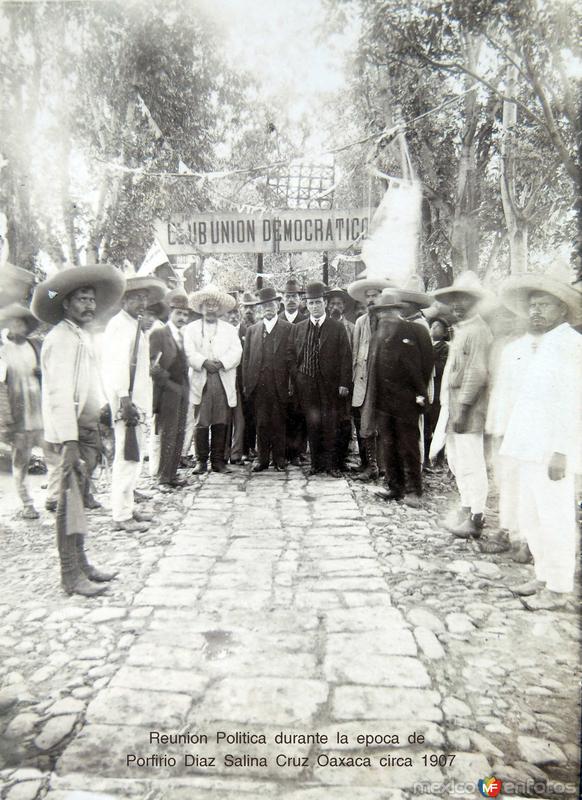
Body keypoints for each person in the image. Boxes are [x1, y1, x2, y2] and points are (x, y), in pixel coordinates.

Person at [31, 263, 125, 596]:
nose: (89, 306)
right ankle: (69, 574)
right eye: (82, 299)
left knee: (79, 501)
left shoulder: (79, 335)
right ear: (66, 304)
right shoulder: (60, 338)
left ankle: (82, 561)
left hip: (85, 431)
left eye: (92, 300)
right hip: (68, 435)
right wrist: (69, 441)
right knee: (69, 502)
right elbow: (57, 393)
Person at [496, 265, 581, 607]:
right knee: (531, 514)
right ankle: (543, 575)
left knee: (555, 515)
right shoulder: (539, 345)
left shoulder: (572, 344)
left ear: (562, 308)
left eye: (544, 304)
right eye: (532, 304)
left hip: (552, 449)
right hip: (528, 445)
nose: (536, 310)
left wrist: (562, 451)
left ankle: (559, 587)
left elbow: (574, 402)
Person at [101, 275, 166, 532]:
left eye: (145, 298)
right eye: (137, 298)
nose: (142, 303)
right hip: (126, 402)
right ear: (124, 299)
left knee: (134, 457)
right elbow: (115, 365)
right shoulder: (118, 326)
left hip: (137, 399)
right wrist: (124, 398)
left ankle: (127, 507)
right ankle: (120, 515)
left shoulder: (133, 325)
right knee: (126, 458)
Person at [432, 272, 493, 538]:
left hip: (468, 408)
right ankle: (466, 505)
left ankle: (476, 516)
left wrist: (465, 408)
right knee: (457, 460)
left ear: (475, 302)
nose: (458, 306)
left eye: (464, 301)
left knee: (471, 461)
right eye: (455, 301)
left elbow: (477, 373)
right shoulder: (462, 329)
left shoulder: (479, 331)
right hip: (454, 404)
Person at [371, 290, 434, 506]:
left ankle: (414, 490)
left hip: (407, 399)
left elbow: (427, 365)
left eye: (391, 310)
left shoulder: (416, 331)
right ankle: (394, 487)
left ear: (399, 310)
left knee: (408, 445)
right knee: (388, 444)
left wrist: (418, 393)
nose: (387, 315)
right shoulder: (379, 332)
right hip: (384, 401)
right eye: (382, 311)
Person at [287, 281, 351, 477]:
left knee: (330, 424)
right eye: (311, 303)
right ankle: (316, 464)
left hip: (330, 385)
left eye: (318, 302)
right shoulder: (298, 328)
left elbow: (345, 357)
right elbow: (291, 355)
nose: (314, 306)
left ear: (325, 302)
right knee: (312, 424)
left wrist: (343, 383)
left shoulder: (337, 327)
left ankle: (331, 465)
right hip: (307, 383)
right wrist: (297, 377)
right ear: (306, 304)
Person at [183, 285, 242, 474]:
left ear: (219, 308)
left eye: (214, 305)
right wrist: (203, 362)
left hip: (222, 378)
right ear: (200, 307)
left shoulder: (229, 330)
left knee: (221, 419)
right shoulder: (191, 329)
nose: (210, 308)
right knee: (201, 420)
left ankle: (218, 461)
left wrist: (222, 363)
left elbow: (237, 351)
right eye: (207, 304)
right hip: (202, 378)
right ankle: (201, 461)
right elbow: (188, 352)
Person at [0, 304, 45, 518]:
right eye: (13, 323)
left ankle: (56, 497)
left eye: (21, 323)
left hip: (41, 412)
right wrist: (6, 418)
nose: (18, 327)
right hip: (19, 415)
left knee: (54, 454)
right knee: (21, 461)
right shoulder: (3, 351)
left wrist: (41, 374)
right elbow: (1, 387)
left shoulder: (36, 346)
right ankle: (27, 503)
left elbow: (50, 372)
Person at [347, 275, 393, 480]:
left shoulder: (391, 321)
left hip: (384, 380)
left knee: (383, 425)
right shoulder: (360, 322)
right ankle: (370, 465)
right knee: (365, 424)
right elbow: (355, 352)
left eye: (375, 295)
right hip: (364, 379)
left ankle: (383, 467)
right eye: (369, 297)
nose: (371, 300)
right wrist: (353, 379)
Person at [243, 287, 293, 472]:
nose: (268, 308)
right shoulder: (252, 331)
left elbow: (293, 360)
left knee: (279, 421)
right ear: (259, 309)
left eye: (271, 304)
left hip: (280, 384)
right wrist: (247, 385)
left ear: (278, 306)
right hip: (259, 385)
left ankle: (280, 459)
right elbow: (246, 359)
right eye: (264, 305)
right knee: (261, 422)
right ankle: (262, 458)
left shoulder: (289, 329)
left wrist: (290, 384)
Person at [149, 289, 190, 490]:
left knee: (179, 433)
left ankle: (172, 474)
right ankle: (162, 478)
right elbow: (153, 367)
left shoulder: (181, 336)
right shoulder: (159, 334)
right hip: (167, 392)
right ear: (170, 313)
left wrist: (183, 389)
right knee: (168, 434)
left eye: (185, 314)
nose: (182, 317)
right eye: (178, 313)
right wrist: (171, 386)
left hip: (182, 390)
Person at [279, 277, 308, 465]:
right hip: (279, 374)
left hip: (299, 374)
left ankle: (297, 452)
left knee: (299, 412)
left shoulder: (305, 321)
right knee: (282, 413)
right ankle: (282, 451)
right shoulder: (277, 320)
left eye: (295, 296)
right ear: (282, 298)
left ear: (300, 300)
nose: (291, 300)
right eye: (288, 296)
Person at [326, 288, 355, 470]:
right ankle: (328, 458)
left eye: (339, 304)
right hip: (327, 382)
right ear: (328, 306)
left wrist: (346, 381)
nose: (335, 307)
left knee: (344, 421)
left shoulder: (351, 328)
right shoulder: (324, 326)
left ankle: (342, 458)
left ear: (344, 307)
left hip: (345, 382)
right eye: (332, 304)